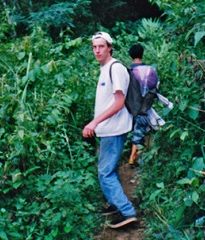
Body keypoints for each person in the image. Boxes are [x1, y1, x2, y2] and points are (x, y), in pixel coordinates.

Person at [82, 32, 137, 228]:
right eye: (94, 47)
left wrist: (94, 122)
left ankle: (127, 211)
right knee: (107, 170)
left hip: (114, 128)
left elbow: (119, 102)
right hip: (107, 129)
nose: (97, 50)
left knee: (105, 172)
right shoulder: (105, 69)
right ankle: (114, 205)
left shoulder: (116, 68)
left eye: (101, 46)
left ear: (110, 47)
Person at [127, 44, 172, 168]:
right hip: (146, 105)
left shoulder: (129, 71)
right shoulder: (151, 70)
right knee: (143, 127)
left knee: (137, 128)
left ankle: (132, 157)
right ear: (142, 54)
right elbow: (156, 87)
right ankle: (139, 156)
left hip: (131, 106)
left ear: (130, 55)